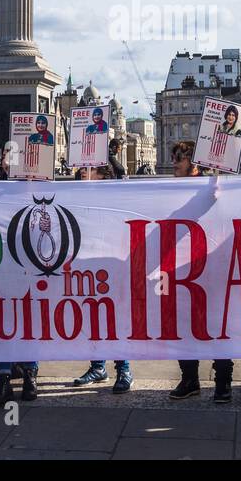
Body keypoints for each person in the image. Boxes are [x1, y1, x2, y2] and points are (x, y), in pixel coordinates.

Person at [168, 140, 235, 404]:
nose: (174, 163)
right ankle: (190, 378)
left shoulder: (212, 187)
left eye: (179, 159)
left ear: (193, 165)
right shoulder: (169, 189)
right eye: (174, 158)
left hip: (210, 266)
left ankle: (223, 380)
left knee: (217, 324)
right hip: (181, 267)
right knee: (183, 324)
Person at [68, 165, 133, 394]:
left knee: (114, 319)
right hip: (88, 267)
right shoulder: (80, 197)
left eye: (90, 169)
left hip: (111, 266)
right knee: (93, 317)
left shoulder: (114, 198)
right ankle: (98, 367)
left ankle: (124, 369)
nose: (83, 172)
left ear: (104, 176)